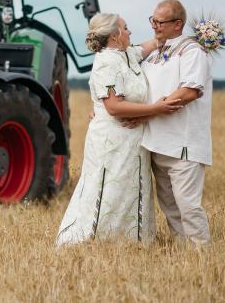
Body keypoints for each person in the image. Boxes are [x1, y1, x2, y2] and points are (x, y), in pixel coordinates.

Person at [56, 13, 183, 246]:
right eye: (126, 28)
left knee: (131, 186)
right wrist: (156, 108)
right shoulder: (106, 62)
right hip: (111, 140)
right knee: (109, 188)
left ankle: (133, 240)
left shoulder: (127, 54)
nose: (130, 32)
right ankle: (98, 240)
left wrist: (188, 36)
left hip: (133, 140)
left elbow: (152, 44)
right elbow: (114, 107)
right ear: (115, 35)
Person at [140, 0, 213, 245]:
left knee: (188, 206)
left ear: (178, 24)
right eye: (153, 20)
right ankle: (183, 254)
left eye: (160, 22)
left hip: (183, 144)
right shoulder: (153, 54)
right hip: (156, 142)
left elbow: (190, 90)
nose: (155, 26)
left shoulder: (192, 51)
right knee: (169, 206)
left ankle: (201, 254)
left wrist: (152, 111)